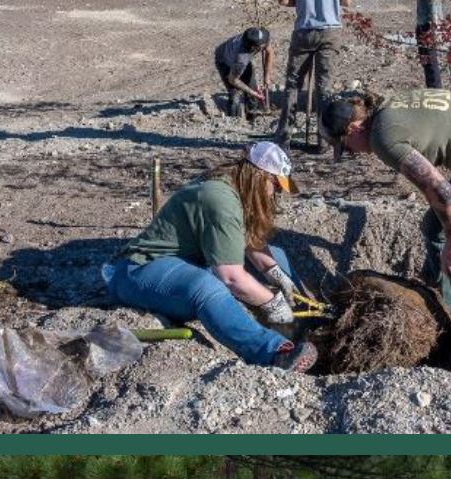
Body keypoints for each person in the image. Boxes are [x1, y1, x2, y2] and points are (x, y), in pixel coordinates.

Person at [321, 88, 451, 365]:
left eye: (346, 147)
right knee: (432, 228)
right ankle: (442, 307)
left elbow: (442, 192)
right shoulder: (389, 105)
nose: (352, 153)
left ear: (353, 128)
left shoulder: (383, 137)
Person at [101, 141, 317, 372]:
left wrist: (278, 276)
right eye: (276, 185)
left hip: (187, 262)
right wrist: (272, 302)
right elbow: (231, 277)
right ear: (260, 176)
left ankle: (307, 325)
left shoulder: (236, 187)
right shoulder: (220, 199)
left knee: (278, 257)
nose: (276, 193)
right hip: (139, 270)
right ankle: (273, 352)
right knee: (206, 287)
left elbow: (251, 241)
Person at [274, 0, 352, 150]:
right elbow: (347, 0)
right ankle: (323, 140)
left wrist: (303, 3)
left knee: (292, 85)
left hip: (304, 30)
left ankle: (284, 137)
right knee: (324, 88)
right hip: (330, 31)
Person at [213, 26, 272, 120]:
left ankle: (252, 116)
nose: (266, 43)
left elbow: (269, 52)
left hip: (237, 57)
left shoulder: (260, 37)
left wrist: (267, 76)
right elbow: (233, 80)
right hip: (224, 61)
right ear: (254, 47)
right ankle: (235, 121)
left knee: (252, 86)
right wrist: (253, 93)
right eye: (263, 45)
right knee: (235, 94)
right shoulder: (241, 59)